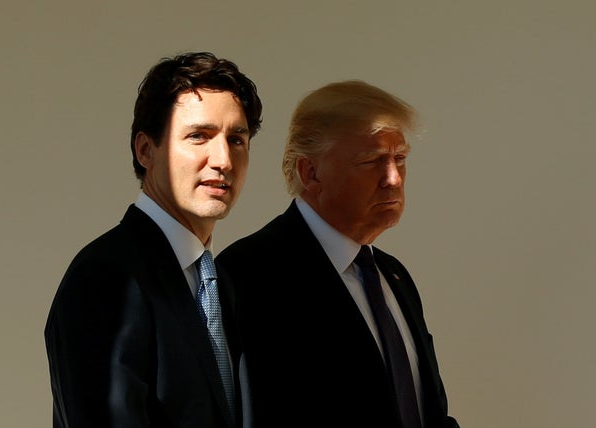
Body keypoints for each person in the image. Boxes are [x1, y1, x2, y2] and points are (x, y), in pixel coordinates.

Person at [216, 80, 459, 428]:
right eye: (372, 161)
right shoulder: (250, 274)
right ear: (310, 172)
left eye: (400, 158)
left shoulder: (393, 276)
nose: (393, 178)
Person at [44, 51, 263, 428]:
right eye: (199, 136)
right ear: (146, 150)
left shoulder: (220, 283)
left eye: (237, 139)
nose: (223, 159)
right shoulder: (106, 278)